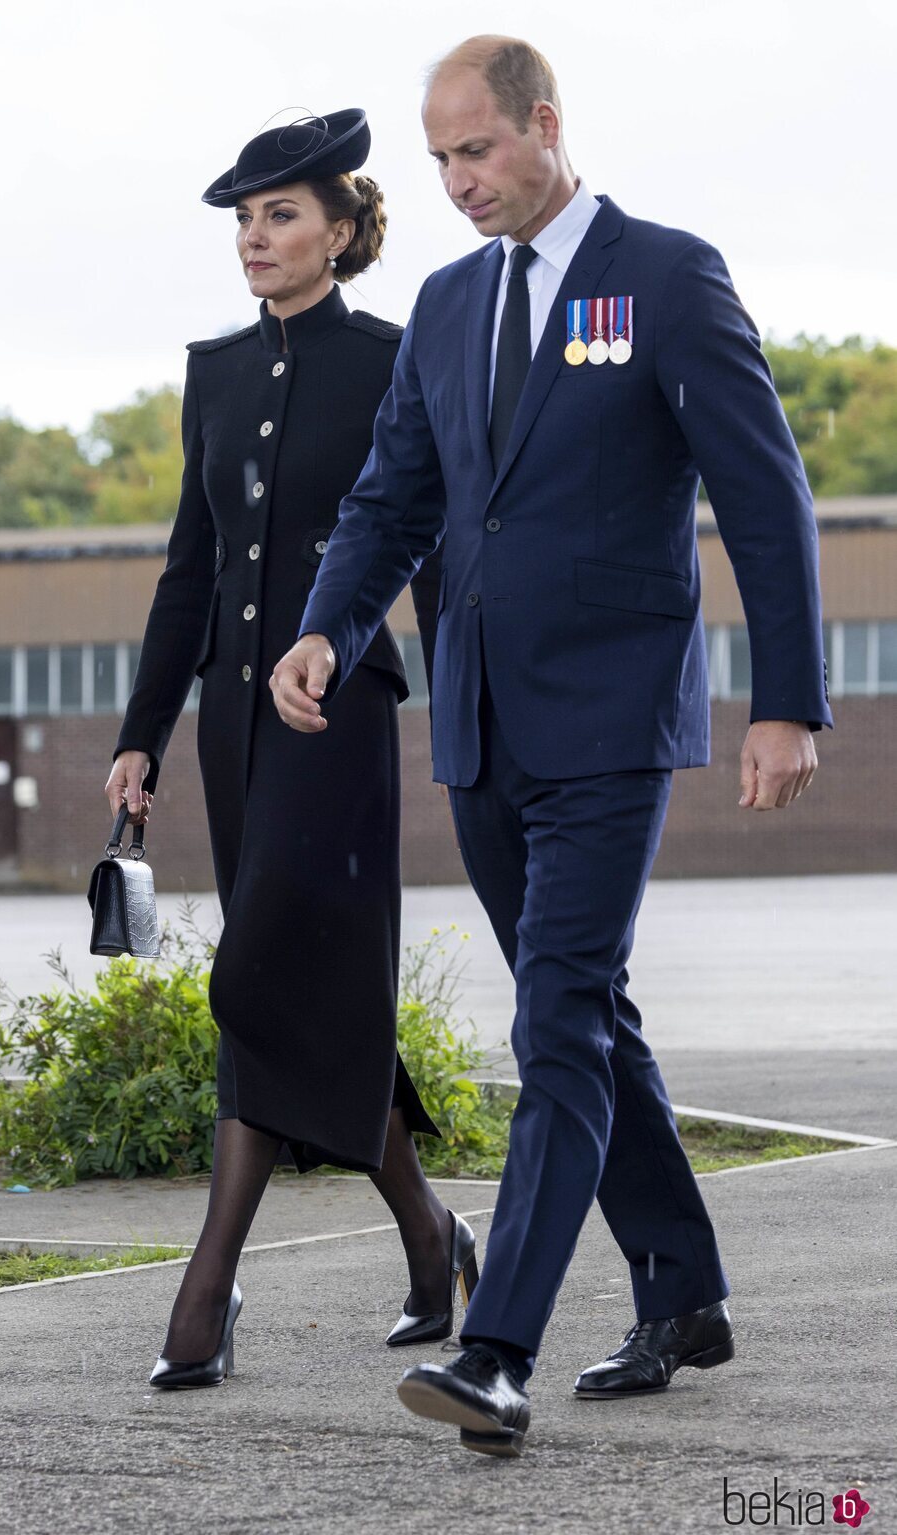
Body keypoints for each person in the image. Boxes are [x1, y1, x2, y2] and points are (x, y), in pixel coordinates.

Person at [271, 41, 832, 1456]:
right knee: (588, 1014)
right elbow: (395, 492)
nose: (458, 184)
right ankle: (685, 1287)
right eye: (440, 161)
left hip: (609, 715)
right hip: (481, 723)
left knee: (558, 1023)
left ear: (544, 125)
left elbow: (765, 492)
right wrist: (329, 624)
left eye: (477, 152)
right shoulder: (453, 304)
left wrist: (788, 698)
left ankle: (496, 1345)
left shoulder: (665, 275)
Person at [106, 109, 479, 1390]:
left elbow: (427, 538)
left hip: (339, 712)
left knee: (263, 962)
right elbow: (188, 568)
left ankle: (205, 1291)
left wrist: (469, 700)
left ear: (340, 228)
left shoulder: (391, 355)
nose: (255, 240)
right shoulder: (213, 370)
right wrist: (137, 736)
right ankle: (430, 1237)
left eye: (280, 216)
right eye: (243, 221)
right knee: (305, 982)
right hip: (230, 719)